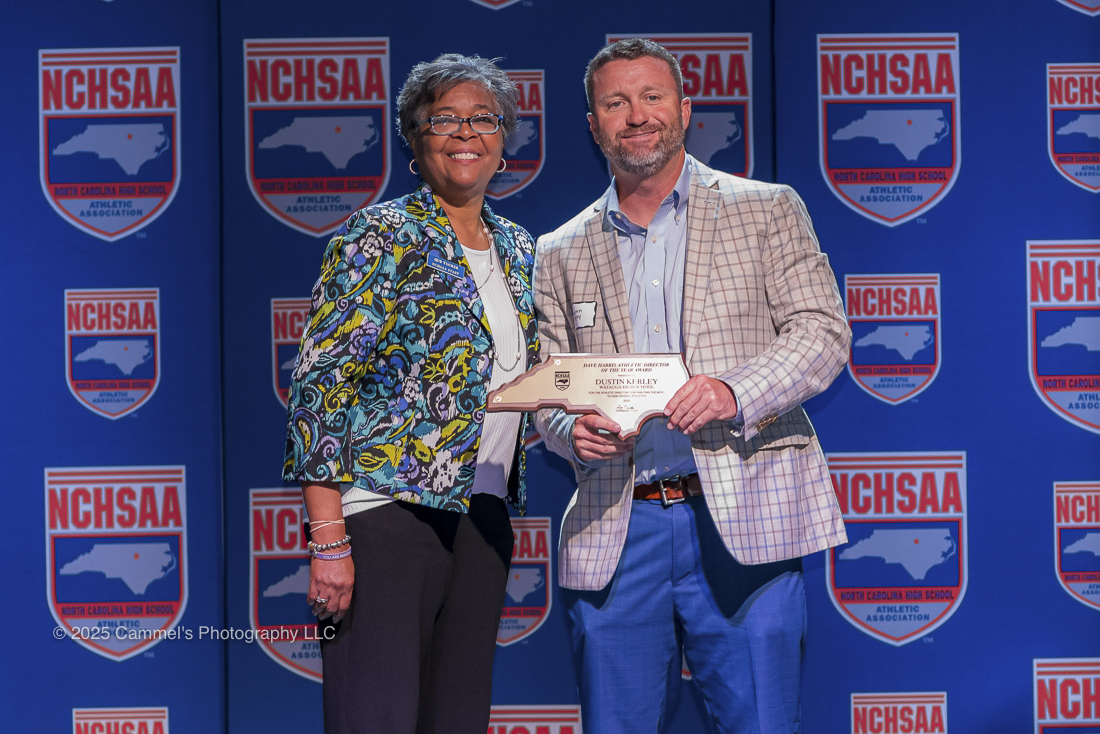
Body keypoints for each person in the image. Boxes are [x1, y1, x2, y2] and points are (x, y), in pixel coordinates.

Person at [533, 38, 851, 733]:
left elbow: (822, 333)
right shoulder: (558, 250)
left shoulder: (767, 209)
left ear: (683, 109)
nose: (635, 116)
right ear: (592, 125)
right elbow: (550, 387)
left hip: (745, 515)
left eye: (651, 97)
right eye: (615, 103)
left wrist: (735, 392)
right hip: (618, 527)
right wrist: (570, 432)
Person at [283, 53, 539, 734]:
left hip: (482, 517)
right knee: (378, 717)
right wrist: (329, 540)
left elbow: (528, 382)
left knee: (457, 719)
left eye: (483, 119)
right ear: (414, 138)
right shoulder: (380, 235)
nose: (465, 133)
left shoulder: (520, 249)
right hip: (386, 516)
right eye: (444, 119)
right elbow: (320, 388)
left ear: (504, 139)